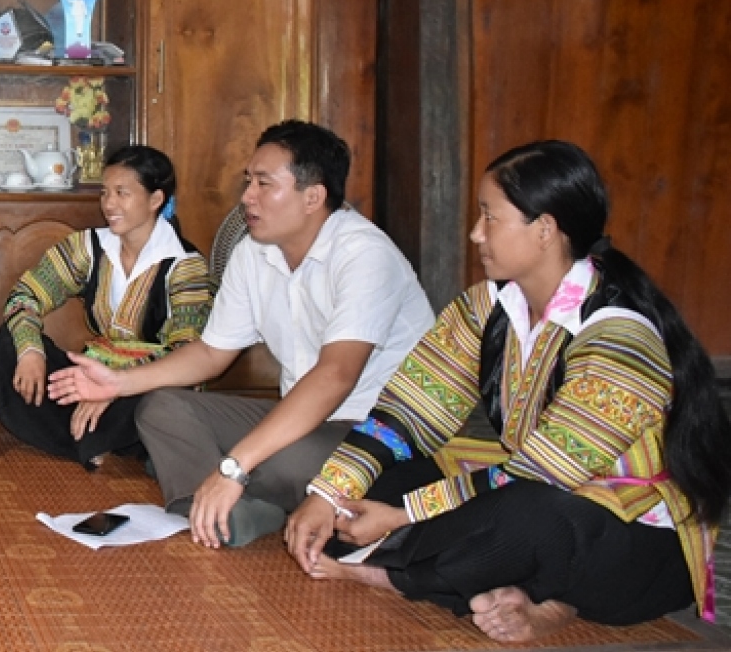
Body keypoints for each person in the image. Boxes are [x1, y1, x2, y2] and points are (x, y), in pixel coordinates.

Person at [286, 140, 731, 643]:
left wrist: (401, 516)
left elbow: (544, 473)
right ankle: (515, 590)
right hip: (521, 488)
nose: (476, 233)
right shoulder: (485, 307)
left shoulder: (620, 335)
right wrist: (330, 495)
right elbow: (408, 414)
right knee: (378, 490)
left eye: (490, 217)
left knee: (522, 522)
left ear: (544, 230)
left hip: (629, 543)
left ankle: (397, 574)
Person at [50, 120, 433, 548]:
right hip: (298, 418)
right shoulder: (252, 252)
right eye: (248, 181)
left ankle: (223, 493)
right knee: (162, 408)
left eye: (264, 184)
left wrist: (234, 466)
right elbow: (211, 354)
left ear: (313, 196)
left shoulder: (365, 255)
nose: (247, 196)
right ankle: (230, 509)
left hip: (374, 430)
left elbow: (336, 376)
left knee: (284, 461)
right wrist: (119, 383)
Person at [0, 145, 213, 469]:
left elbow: (188, 351)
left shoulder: (186, 265)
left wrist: (117, 385)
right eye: (105, 192)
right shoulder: (89, 246)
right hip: (92, 374)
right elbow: (25, 296)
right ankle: (98, 441)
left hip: (146, 385)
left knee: (160, 401)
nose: (109, 204)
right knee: (8, 342)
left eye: (122, 193)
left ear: (155, 199)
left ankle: (89, 439)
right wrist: (30, 351)